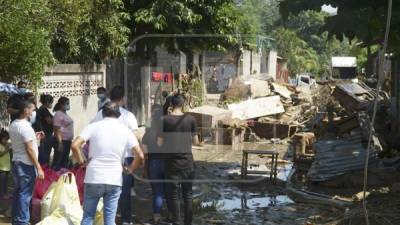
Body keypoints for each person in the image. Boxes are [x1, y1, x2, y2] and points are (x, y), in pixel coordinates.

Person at [71, 103, 143, 225]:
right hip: (114, 178)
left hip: (93, 177)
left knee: (88, 216)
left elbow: (74, 145)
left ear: (103, 113)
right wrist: (130, 170)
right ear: (119, 115)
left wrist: (82, 162)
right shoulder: (125, 130)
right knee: (109, 220)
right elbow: (140, 155)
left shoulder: (93, 127)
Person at [91, 85, 142, 225]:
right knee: (123, 192)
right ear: (123, 98)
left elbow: (91, 132)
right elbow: (136, 135)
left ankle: (104, 219)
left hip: (102, 156)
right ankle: (125, 220)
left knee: (103, 190)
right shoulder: (127, 115)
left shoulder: (100, 114)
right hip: (125, 157)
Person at [157, 94, 199, 225]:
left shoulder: (164, 120)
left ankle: (176, 221)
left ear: (171, 104)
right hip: (187, 162)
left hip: (171, 164)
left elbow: (159, 143)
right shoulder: (191, 119)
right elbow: (196, 142)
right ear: (183, 104)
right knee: (188, 194)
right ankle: (188, 222)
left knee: (174, 195)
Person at [9, 99, 44, 225]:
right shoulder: (25, 127)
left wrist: (35, 137)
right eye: (33, 109)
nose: (34, 112)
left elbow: (23, 142)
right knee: (25, 195)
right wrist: (39, 167)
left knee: (18, 193)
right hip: (26, 165)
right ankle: (22, 221)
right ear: (26, 111)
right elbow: (29, 149)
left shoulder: (14, 124)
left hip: (17, 162)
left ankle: (16, 219)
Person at [142, 105, 172, 224]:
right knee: (169, 190)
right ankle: (171, 214)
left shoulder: (147, 133)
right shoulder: (168, 130)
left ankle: (156, 217)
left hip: (153, 163)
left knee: (157, 192)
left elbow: (145, 154)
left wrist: (145, 168)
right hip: (168, 163)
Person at [52, 97, 74, 170]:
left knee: (64, 159)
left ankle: (62, 175)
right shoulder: (58, 114)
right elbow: (56, 129)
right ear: (61, 105)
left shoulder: (64, 113)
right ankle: (54, 175)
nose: (68, 105)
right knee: (59, 160)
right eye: (67, 104)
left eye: (69, 103)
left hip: (67, 140)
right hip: (62, 141)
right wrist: (60, 142)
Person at [36, 94, 55, 165]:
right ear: (47, 102)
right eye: (51, 102)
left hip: (46, 133)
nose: (51, 104)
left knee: (45, 151)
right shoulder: (43, 110)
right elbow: (49, 121)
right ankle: (45, 167)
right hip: (46, 134)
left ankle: (44, 166)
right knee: (45, 152)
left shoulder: (43, 109)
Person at [0, 128, 11, 200]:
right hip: (1, 168)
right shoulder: (0, 146)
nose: (6, 141)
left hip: (7, 167)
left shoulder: (5, 145)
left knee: (6, 182)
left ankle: (6, 193)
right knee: (2, 182)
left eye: (7, 139)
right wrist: (7, 149)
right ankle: (2, 195)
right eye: (5, 139)